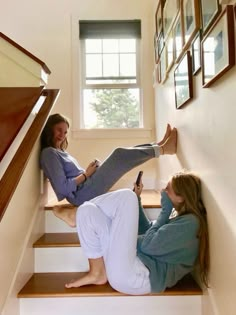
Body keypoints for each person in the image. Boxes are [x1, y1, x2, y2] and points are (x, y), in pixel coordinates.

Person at [60, 170, 209, 295]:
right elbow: (148, 231)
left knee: (126, 197)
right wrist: (137, 200)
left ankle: (76, 215)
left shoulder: (190, 224)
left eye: (167, 188)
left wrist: (164, 211)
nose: (163, 191)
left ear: (181, 197)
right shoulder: (179, 218)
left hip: (138, 277)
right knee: (89, 211)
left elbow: (148, 245)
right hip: (128, 266)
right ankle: (97, 272)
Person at [40, 113, 177, 209]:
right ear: (49, 129)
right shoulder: (48, 153)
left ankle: (159, 146)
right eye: (59, 130)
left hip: (86, 186)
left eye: (65, 132)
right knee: (119, 154)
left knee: (121, 154)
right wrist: (87, 174)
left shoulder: (59, 152)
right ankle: (163, 149)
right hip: (82, 195)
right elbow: (63, 188)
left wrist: (92, 171)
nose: (62, 136)